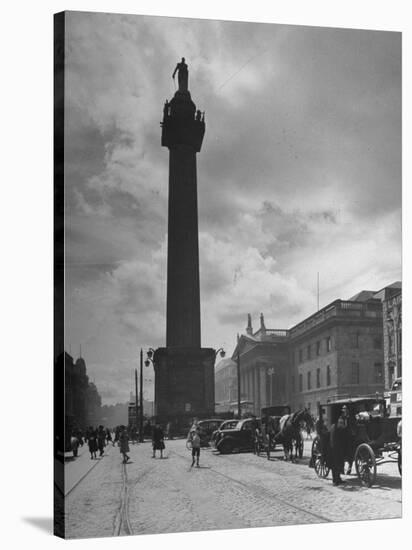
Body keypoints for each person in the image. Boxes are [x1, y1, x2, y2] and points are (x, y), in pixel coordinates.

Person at [329, 417, 346, 485]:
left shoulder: (338, 428)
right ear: (338, 423)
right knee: (335, 465)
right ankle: (335, 480)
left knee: (339, 464)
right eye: (341, 423)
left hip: (338, 448)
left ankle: (338, 478)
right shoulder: (334, 428)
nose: (341, 425)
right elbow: (333, 440)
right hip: (334, 449)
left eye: (342, 423)